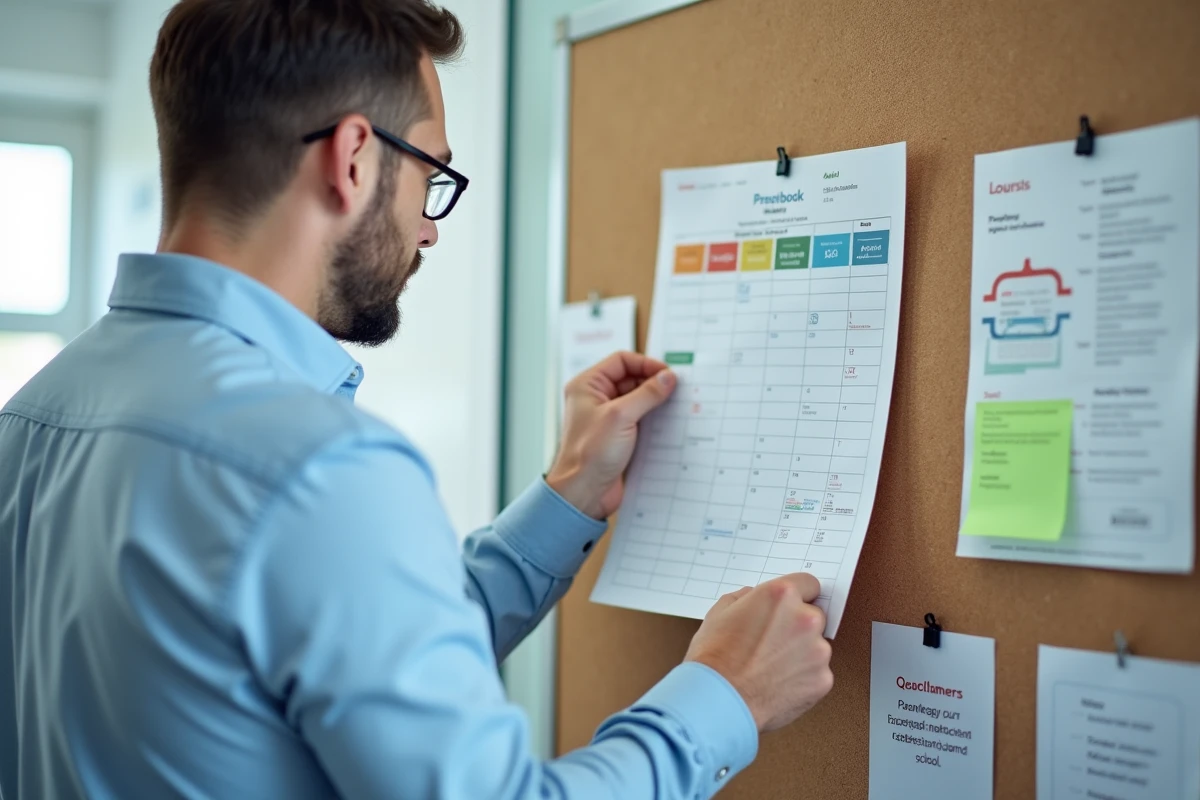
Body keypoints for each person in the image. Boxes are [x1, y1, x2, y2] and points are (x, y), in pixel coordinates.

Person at [0, 1, 834, 797]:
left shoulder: (30, 418)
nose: (430, 226)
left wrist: (566, 495)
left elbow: (348, 659)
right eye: (431, 171)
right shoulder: (315, 465)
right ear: (354, 158)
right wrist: (726, 695)